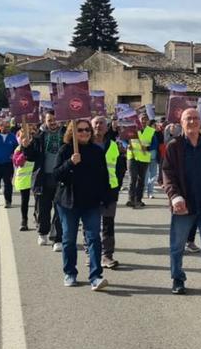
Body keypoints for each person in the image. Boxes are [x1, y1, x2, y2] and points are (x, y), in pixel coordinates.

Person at [162, 108, 201, 298]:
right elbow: (167, 174)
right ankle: (178, 279)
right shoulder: (174, 146)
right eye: (188, 118)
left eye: (196, 118)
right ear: (181, 123)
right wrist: (175, 197)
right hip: (183, 204)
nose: (192, 122)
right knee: (177, 245)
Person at [48, 119, 109, 290]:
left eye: (87, 130)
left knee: (94, 238)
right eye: (80, 130)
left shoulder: (97, 151)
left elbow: (103, 176)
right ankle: (70, 273)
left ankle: (96, 276)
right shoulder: (66, 150)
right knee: (68, 239)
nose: (84, 133)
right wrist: (70, 163)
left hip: (91, 203)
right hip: (68, 203)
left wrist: (105, 197)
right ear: (72, 132)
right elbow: (56, 176)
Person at [22, 111, 66, 251]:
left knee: (60, 209)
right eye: (50, 120)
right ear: (45, 121)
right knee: (42, 208)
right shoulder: (39, 136)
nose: (53, 122)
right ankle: (42, 232)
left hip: (61, 178)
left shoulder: (67, 135)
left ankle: (57, 238)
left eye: (55, 119)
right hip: (43, 178)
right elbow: (31, 157)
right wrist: (26, 147)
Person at [91, 115, 125, 269]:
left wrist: (117, 185)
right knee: (90, 224)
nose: (98, 126)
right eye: (96, 123)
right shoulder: (84, 145)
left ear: (107, 127)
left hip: (110, 191)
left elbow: (120, 167)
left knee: (108, 224)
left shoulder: (113, 145)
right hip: (90, 190)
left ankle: (107, 255)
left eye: (101, 123)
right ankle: (91, 254)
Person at [127, 113, 155, 208]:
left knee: (141, 180)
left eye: (145, 119)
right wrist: (126, 145)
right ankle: (131, 199)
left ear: (147, 121)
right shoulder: (132, 129)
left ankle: (138, 199)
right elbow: (123, 139)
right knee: (133, 177)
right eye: (142, 119)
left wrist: (147, 148)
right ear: (138, 120)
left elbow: (155, 144)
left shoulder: (150, 131)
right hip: (132, 156)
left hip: (144, 158)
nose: (143, 121)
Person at [13, 126, 37, 231]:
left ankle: (37, 217)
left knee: (38, 201)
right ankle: (24, 220)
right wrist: (24, 152)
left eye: (27, 136)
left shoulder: (36, 146)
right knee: (25, 201)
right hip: (24, 179)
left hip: (36, 177)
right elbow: (18, 162)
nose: (25, 139)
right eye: (22, 137)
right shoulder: (18, 149)